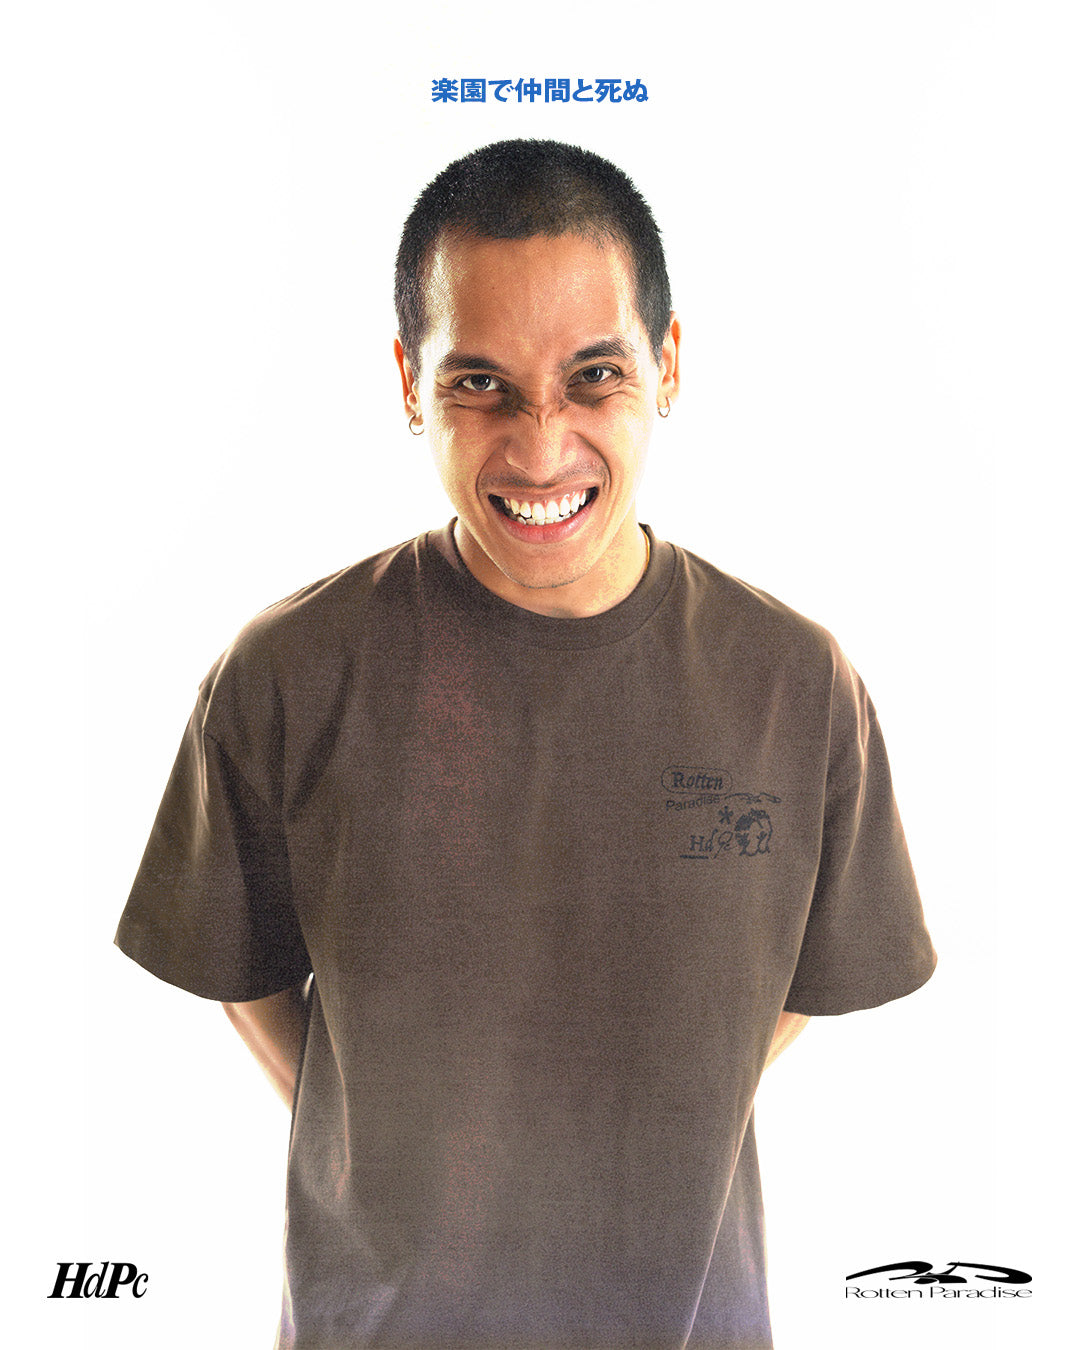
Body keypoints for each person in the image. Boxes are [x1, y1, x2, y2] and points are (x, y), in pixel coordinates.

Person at [116, 139, 936, 1350]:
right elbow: (237, 969)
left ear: (667, 364)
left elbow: (799, 982)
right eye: (480, 384)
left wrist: (639, 1125)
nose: (542, 447)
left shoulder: (796, 684)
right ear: (410, 383)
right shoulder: (287, 673)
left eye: (594, 376)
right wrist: (393, 1146)